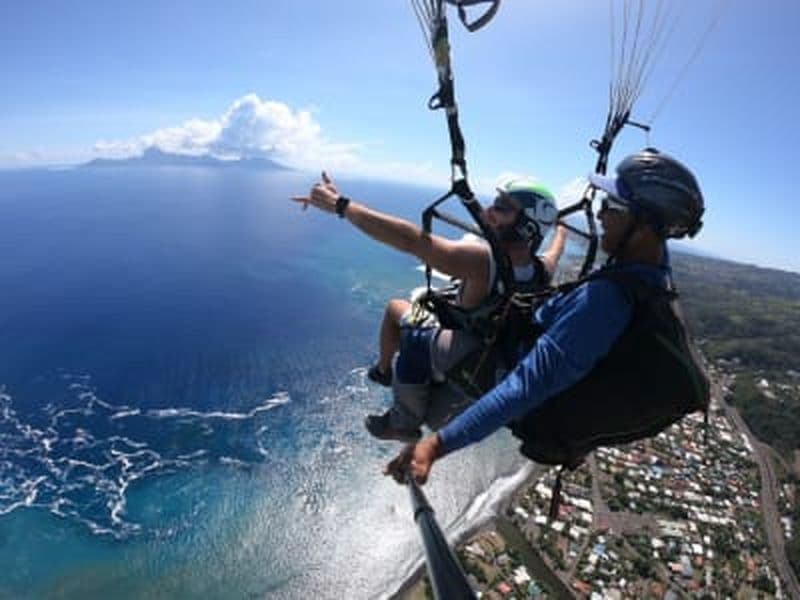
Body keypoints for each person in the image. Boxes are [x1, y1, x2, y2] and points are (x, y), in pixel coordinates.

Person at [383, 147, 708, 485]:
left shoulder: (606, 299)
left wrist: (436, 447)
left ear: (642, 227)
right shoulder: (653, 276)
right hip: (525, 376)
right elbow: (646, 240)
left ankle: (403, 422)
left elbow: (525, 385)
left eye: (611, 207)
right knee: (439, 396)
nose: (600, 215)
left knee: (416, 339)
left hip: (506, 377)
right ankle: (418, 419)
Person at [291, 172, 567, 439]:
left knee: (408, 323)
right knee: (398, 309)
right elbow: (556, 249)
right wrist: (560, 229)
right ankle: (388, 373)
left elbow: (411, 240)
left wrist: (341, 205)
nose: (489, 210)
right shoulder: (541, 270)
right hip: (493, 359)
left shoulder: (483, 261)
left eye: (503, 206)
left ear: (526, 226)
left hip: (466, 352)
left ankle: (402, 419)